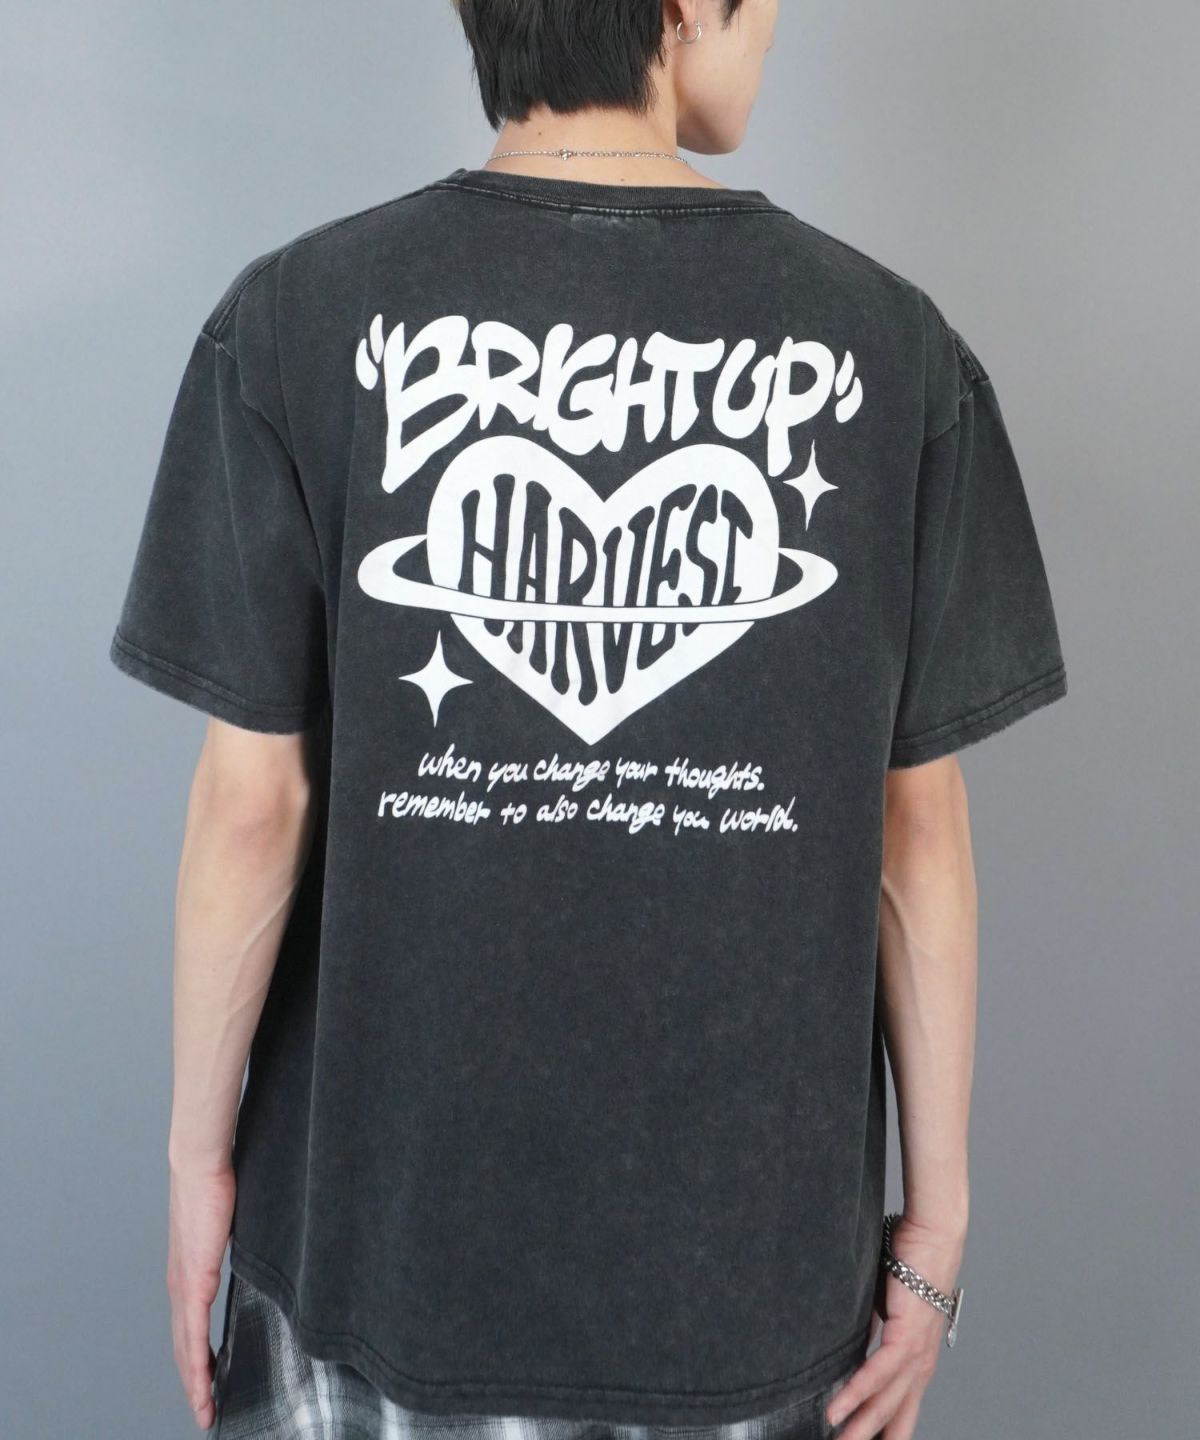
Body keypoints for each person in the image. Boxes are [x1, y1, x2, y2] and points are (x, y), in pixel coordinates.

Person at [108, 2, 1068, 1437]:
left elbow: (253, 806)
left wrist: (198, 1168)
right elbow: (913, 837)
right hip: (750, 1290)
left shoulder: (296, 316)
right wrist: (932, 1227)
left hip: (378, 1264)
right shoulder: (895, 350)